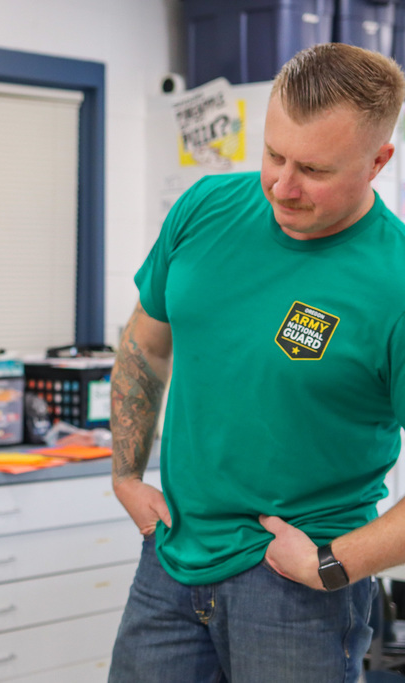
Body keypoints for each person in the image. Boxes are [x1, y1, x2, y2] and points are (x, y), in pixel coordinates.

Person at [108, 42, 405, 682]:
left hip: (300, 582)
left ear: (378, 161)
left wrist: (333, 564)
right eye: (273, 155)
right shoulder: (203, 208)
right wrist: (127, 473)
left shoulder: (397, 284)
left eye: (315, 170)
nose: (282, 185)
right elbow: (145, 342)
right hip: (171, 559)